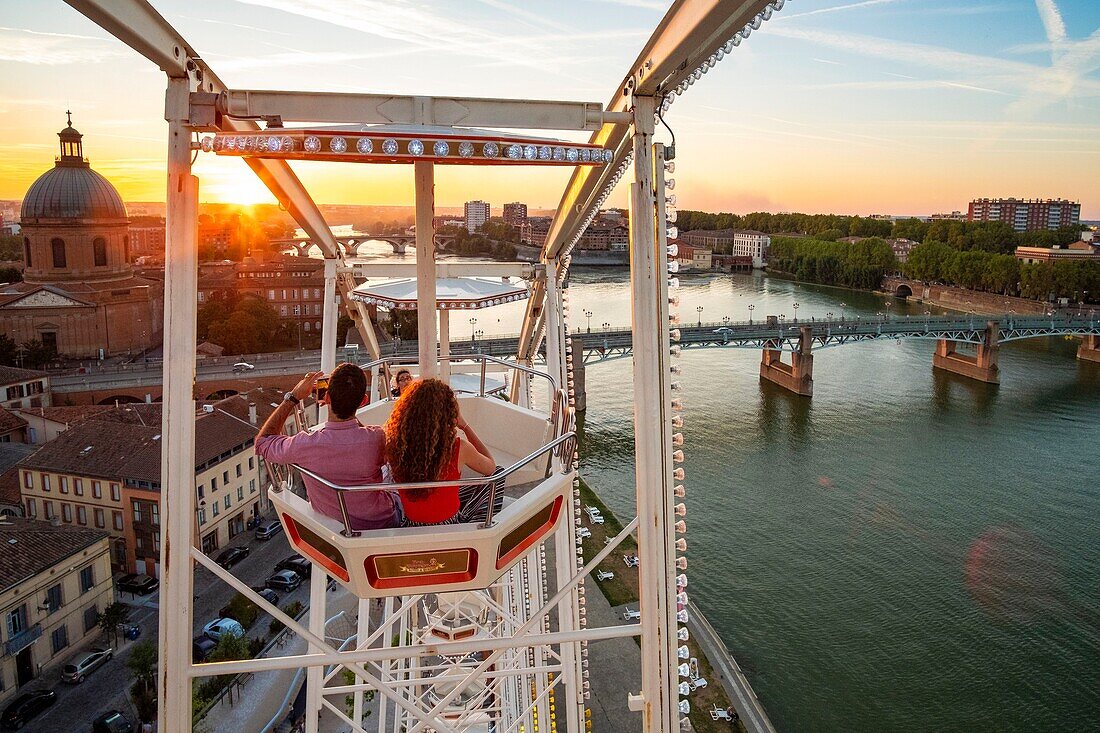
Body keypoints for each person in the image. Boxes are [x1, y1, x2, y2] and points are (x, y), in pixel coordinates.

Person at [254, 364, 400, 530]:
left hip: (335, 527)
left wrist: (293, 397)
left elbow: (262, 443)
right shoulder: (378, 438)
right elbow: (358, 437)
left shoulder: (304, 445)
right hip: (383, 523)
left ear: (327, 397)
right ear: (363, 402)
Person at [384, 378, 502, 525]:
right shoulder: (459, 448)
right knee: (498, 474)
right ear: (448, 414)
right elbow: (490, 467)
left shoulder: (394, 445)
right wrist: (464, 426)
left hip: (410, 525)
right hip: (450, 525)